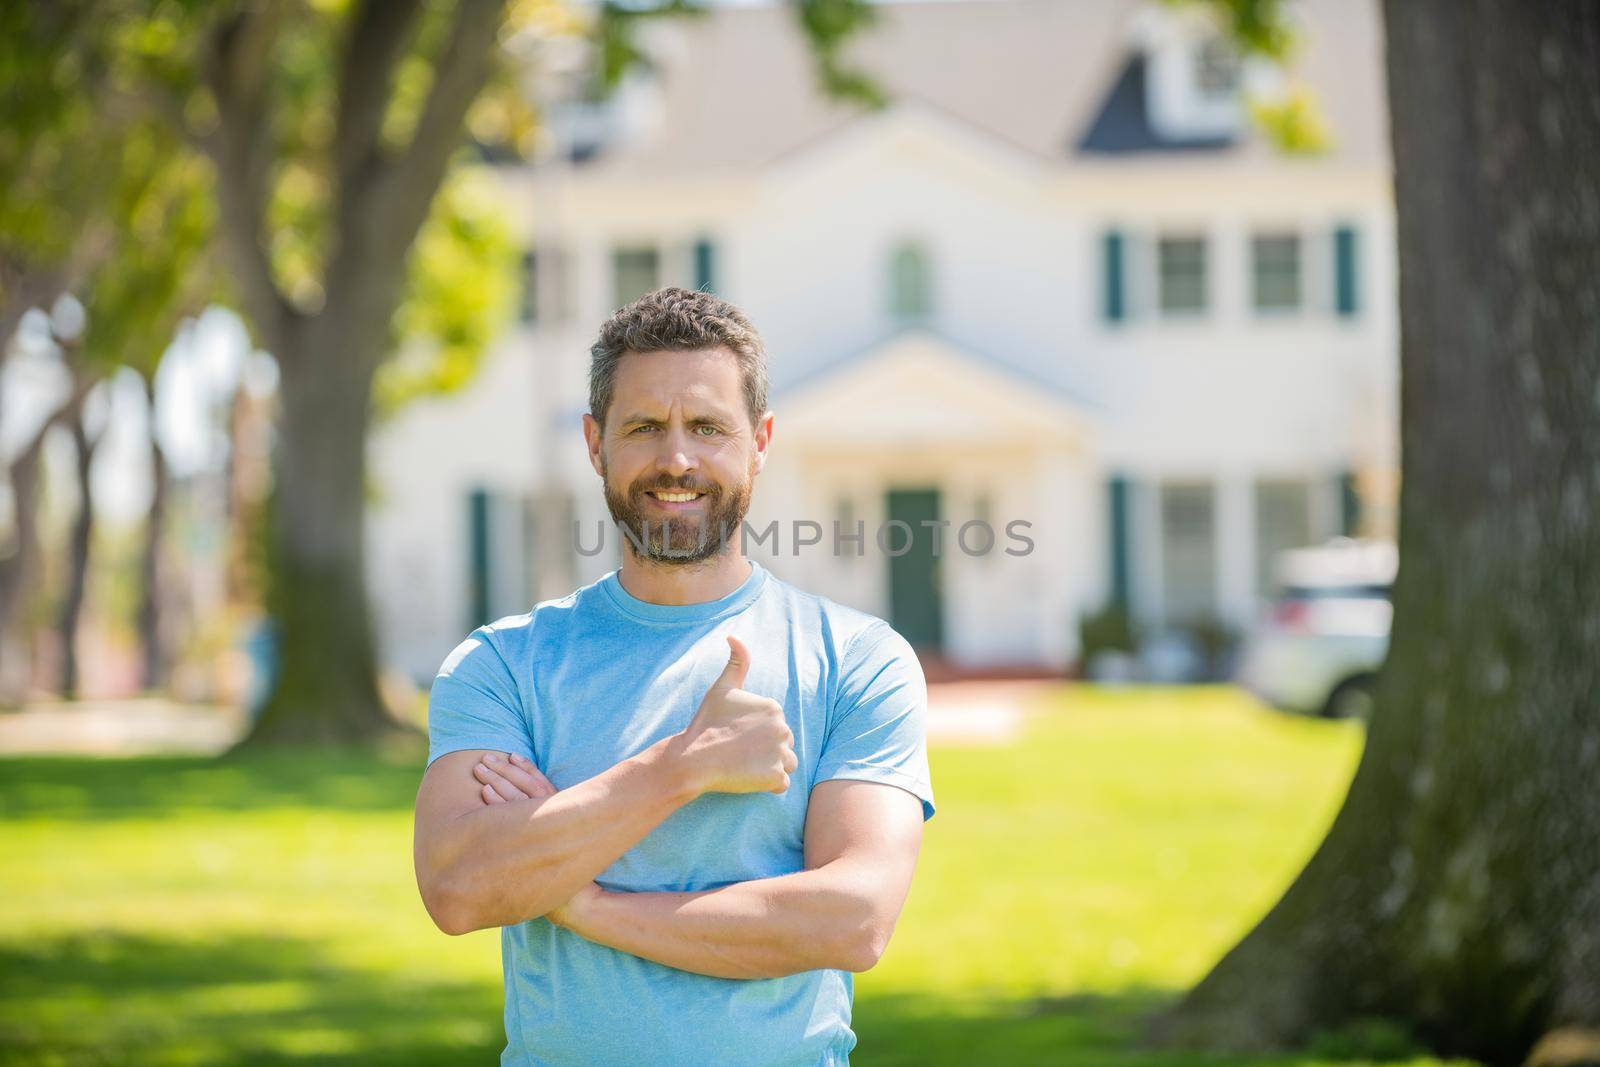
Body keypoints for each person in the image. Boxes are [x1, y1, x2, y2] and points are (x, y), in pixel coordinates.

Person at [412, 287, 936, 1067]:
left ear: (760, 440)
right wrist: (683, 766)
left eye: (708, 427)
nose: (677, 459)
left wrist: (581, 900)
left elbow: (852, 920)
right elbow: (459, 888)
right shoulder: (503, 663)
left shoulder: (859, 658)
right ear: (596, 444)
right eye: (645, 427)